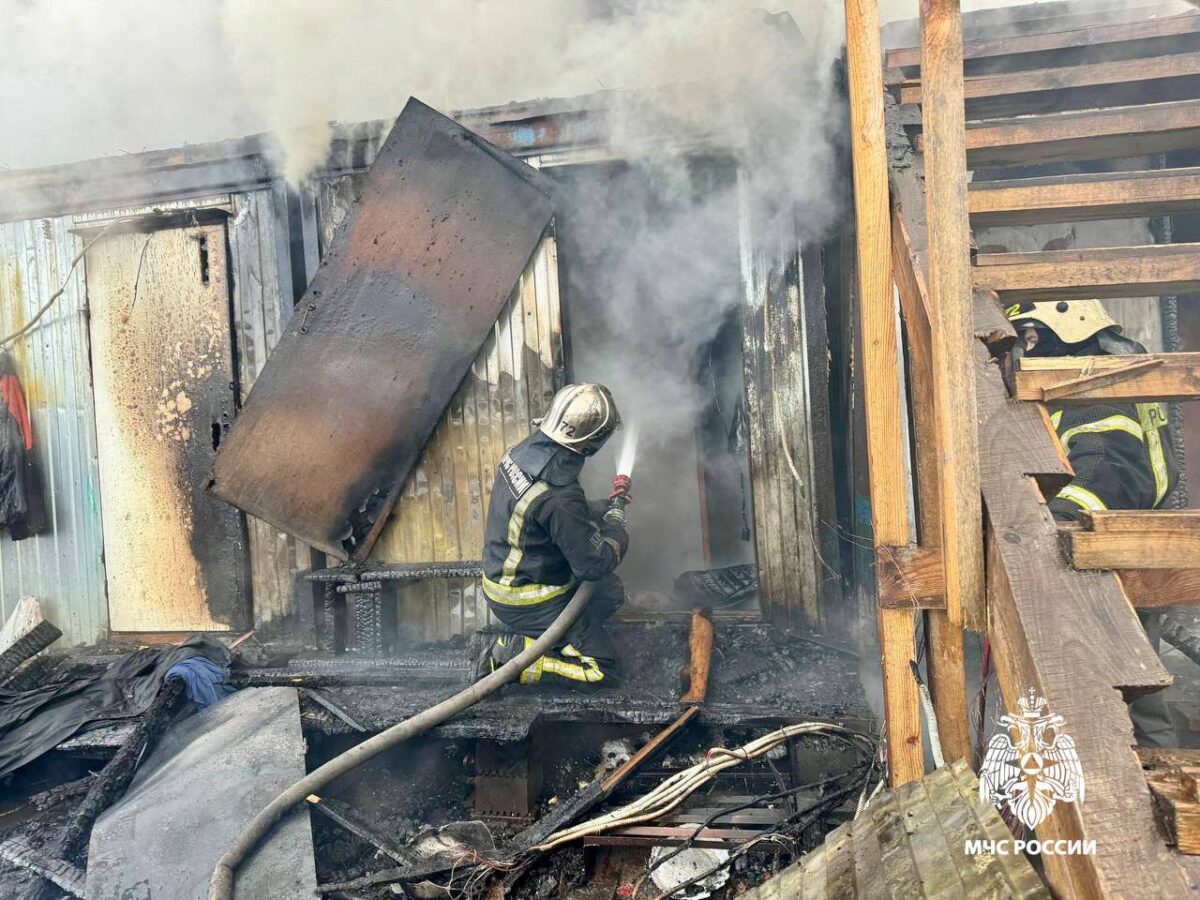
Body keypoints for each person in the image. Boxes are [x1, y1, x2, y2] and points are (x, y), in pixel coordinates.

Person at [1006, 299, 1179, 747]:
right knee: (1138, 683)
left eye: (1031, 336)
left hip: (1111, 560)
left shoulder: (1088, 385)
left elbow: (1105, 471)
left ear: (1067, 330)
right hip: (1133, 553)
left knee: (1124, 693)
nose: (1025, 349)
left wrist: (1054, 524)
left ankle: (1146, 795)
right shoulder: (1110, 371)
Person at [476, 383, 629, 691]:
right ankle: (512, 662)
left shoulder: (524, 453)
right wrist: (616, 529)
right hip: (529, 598)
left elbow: (544, 511)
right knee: (605, 671)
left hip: (506, 579)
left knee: (610, 593)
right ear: (590, 444)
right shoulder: (559, 494)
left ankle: (554, 639)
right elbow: (593, 565)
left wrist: (598, 508)